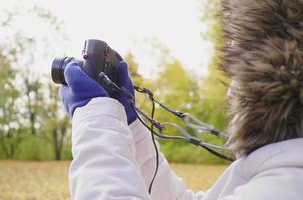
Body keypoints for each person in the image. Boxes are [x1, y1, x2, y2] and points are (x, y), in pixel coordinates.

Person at [59, 0, 303, 199]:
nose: (231, 92)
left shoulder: (291, 180)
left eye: (245, 74)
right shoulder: (282, 170)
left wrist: (95, 120)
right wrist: (131, 127)